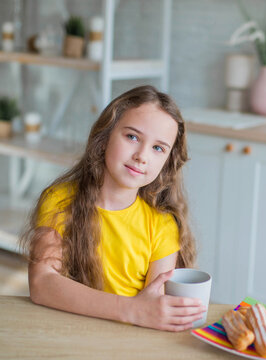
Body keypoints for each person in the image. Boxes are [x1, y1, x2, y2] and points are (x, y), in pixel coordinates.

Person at [19, 85, 205, 332]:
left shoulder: (162, 224)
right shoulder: (61, 201)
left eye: (158, 148)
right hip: (70, 332)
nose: (141, 155)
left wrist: (144, 312)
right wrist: (132, 309)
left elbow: (154, 309)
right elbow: (42, 284)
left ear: (167, 163)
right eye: (132, 137)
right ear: (104, 137)